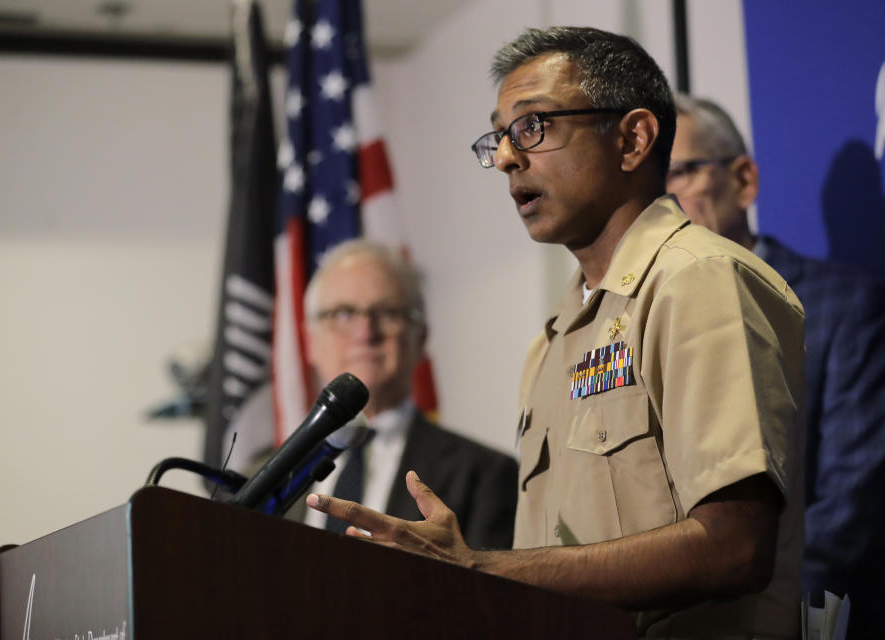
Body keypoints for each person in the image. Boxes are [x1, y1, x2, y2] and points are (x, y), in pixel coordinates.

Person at [307, 26, 808, 638]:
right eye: (500, 136)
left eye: (533, 125)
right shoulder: (553, 339)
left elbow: (734, 547)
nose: (508, 157)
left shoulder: (697, 280)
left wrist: (478, 568)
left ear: (632, 139)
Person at [669, 94, 885, 638]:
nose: (664, 201)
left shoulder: (844, 306)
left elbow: (850, 502)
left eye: (681, 173)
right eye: (652, 185)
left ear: (743, 180)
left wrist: (762, 617)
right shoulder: (656, 330)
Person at [299, 239, 518, 550]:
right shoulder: (266, 475)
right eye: (344, 313)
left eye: (386, 313)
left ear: (422, 336)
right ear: (309, 340)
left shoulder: (484, 475)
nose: (365, 333)